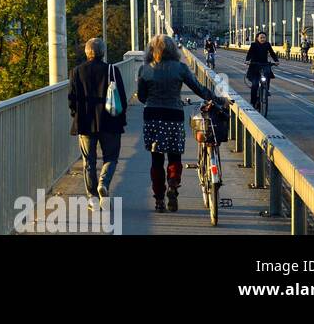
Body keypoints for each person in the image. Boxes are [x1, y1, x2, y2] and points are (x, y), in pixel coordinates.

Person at [136, 34, 220, 213]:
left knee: (156, 159)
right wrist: (216, 99)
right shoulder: (180, 68)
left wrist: (153, 99)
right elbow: (198, 88)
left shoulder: (144, 70)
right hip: (174, 115)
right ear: (173, 50)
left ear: (151, 50)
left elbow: (142, 97)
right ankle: (173, 184)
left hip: (152, 116)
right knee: (175, 156)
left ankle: (159, 200)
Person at [68, 38, 127, 211]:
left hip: (85, 122)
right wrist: (121, 119)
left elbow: (71, 99)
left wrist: (76, 115)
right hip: (110, 122)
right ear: (103, 52)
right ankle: (104, 182)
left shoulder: (77, 71)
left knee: (89, 161)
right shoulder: (112, 70)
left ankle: (92, 197)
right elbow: (121, 98)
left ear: (87, 52)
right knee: (111, 157)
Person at [244, 32, 280, 107]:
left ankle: (266, 90)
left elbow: (272, 53)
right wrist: (247, 60)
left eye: (264, 37)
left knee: (267, 74)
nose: (263, 39)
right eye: (261, 37)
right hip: (254, 65)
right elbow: (249, 53)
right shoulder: (254, 45)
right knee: (255, 84)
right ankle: (253, 101)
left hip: (264, 64)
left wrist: (276, 60)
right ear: (257, 38)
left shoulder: (267, 44)